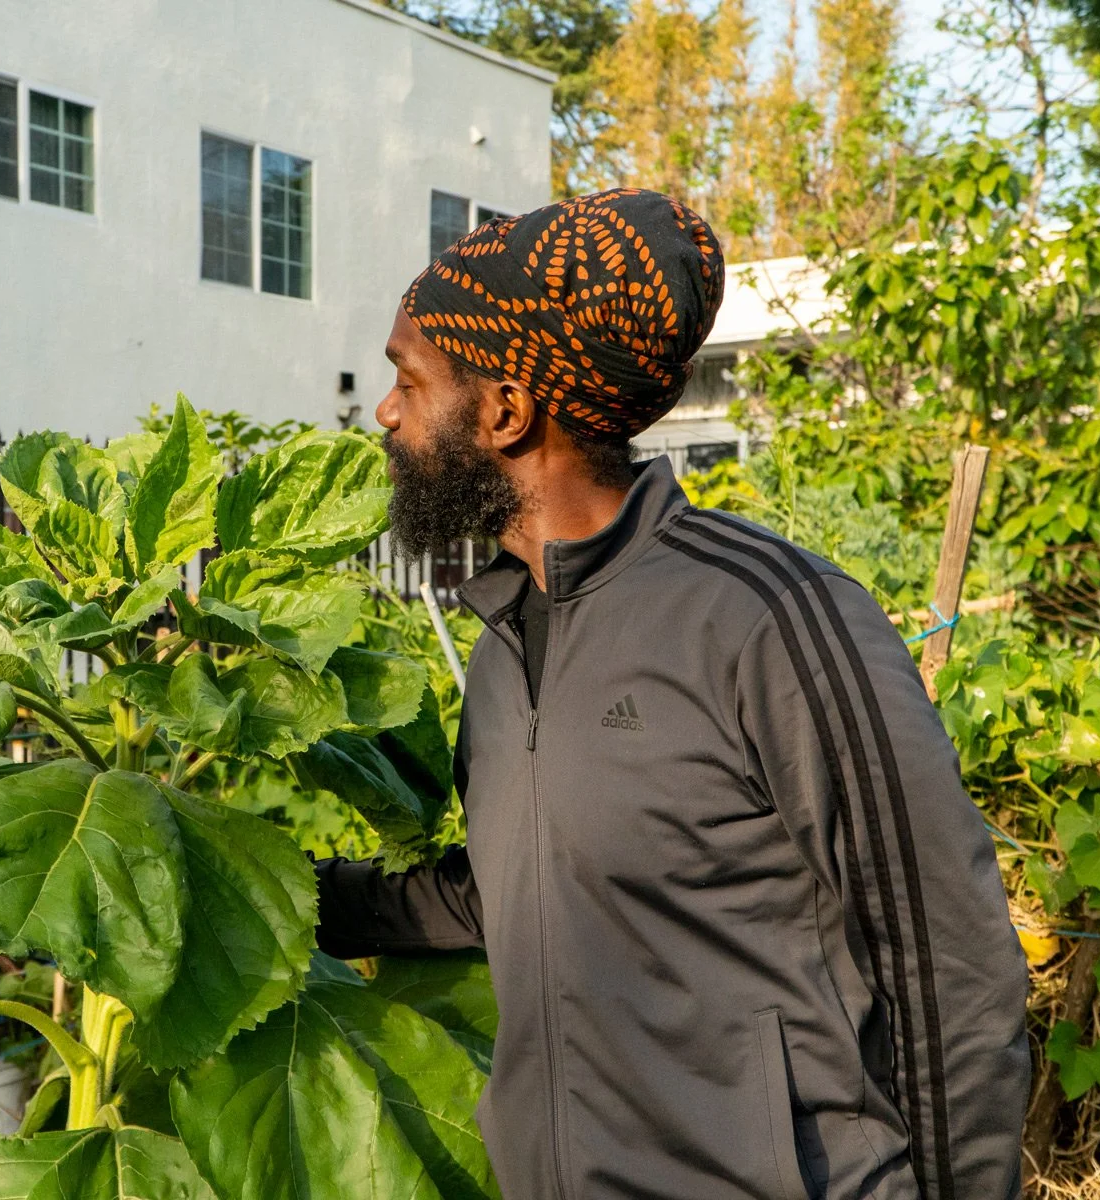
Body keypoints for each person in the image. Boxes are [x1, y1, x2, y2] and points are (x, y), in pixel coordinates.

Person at [314, 189, 1029, 1199]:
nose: (386, 412)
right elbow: (527, 888)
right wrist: (284, 902)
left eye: (411, 380)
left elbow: (947, 962)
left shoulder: (766, 617)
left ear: (508, 410)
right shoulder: (508, 642)